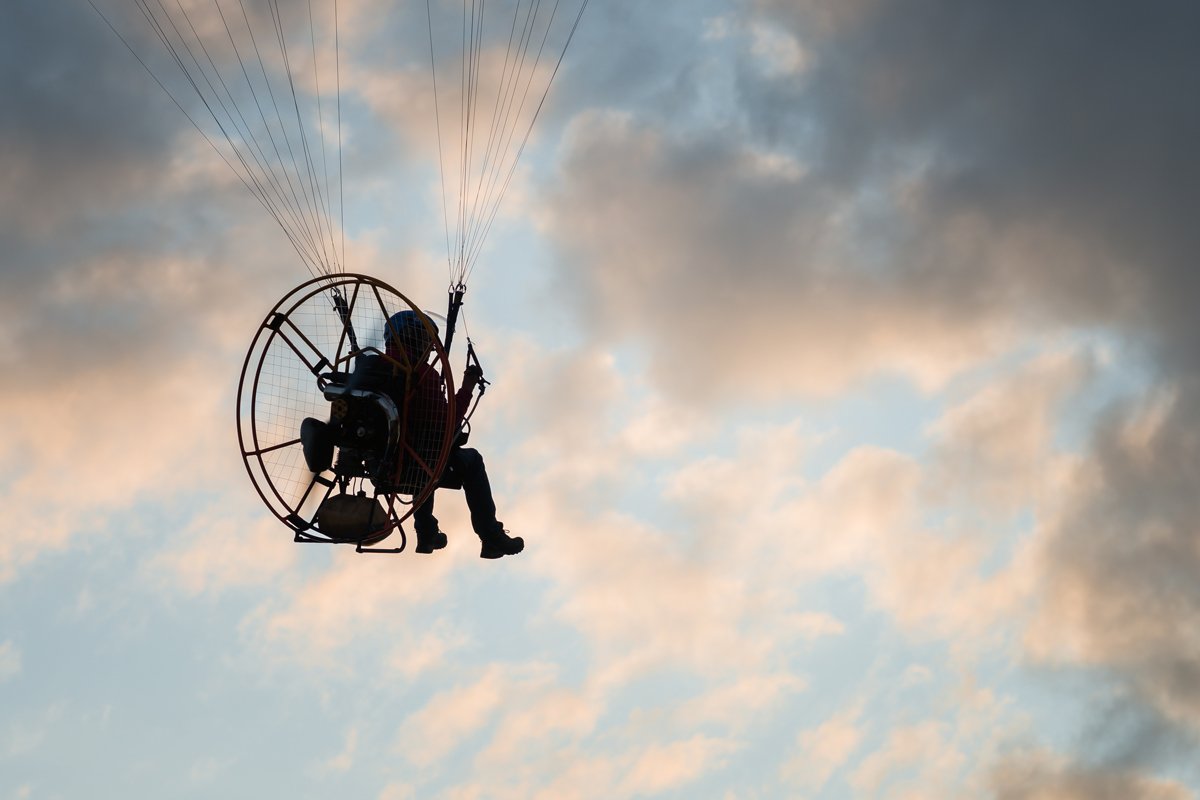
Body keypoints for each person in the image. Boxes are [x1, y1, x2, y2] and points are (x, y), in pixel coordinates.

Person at [383, 310, 524, 559]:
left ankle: (425, 532)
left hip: (384, 464)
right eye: (425, 342)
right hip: (416, 461)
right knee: (467, 459)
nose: (428, 350)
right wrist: (467, 389)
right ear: (412, 339)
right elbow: (446, 425)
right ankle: (490, 536)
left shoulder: (371, 368)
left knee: (425, 456)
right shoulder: (422, 375)